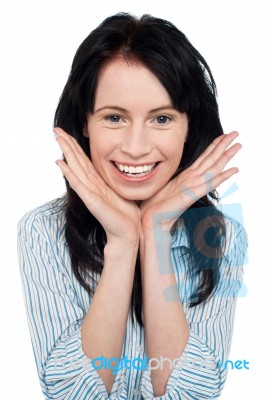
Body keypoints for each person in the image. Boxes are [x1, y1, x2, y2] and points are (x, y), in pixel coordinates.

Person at [17, 12, 248, 400]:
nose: (136, 147)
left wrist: (154, 231)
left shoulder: (222, 236)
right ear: (85, 123)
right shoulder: (43, 230)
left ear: (189, 125)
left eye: (161, 118)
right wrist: (123, 243)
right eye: (114, 117)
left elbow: (194, 394)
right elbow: (71, 394)